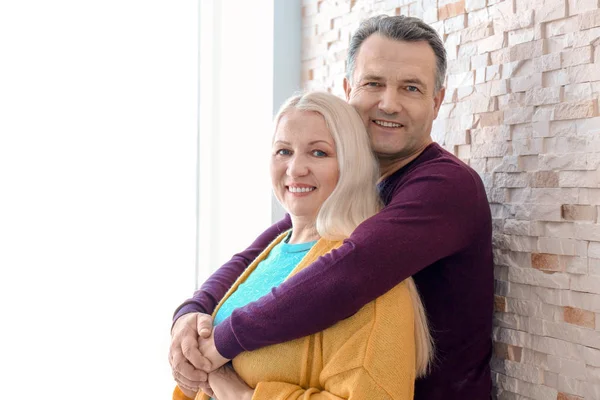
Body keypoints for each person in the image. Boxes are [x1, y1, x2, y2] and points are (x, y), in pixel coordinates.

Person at [170, 15, 494, 400]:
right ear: (348, 89)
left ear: (437, 101)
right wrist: (191, 313)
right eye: (373, 83)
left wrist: (222, 346)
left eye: (410, 88)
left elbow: (349, 271)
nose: (388, 103)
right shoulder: (354, 185)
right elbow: (268, 249)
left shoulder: (445, 186)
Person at [173, 91, 433, 400]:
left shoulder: (373, 284)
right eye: (283, 151)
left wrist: (243, 396)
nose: (295, 169)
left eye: (319, 153)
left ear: (351, 164)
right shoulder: (271, 251)